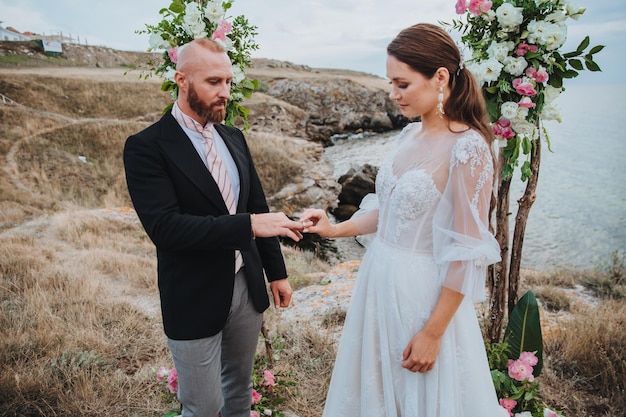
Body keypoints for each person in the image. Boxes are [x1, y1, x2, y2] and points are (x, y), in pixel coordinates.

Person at [300, 23, 509, 416]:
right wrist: (332, 228)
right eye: (390, 83)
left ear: (440, 78)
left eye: (402, 84)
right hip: (378, 282)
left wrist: (432, 333)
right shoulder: (407, 136)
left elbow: (466, 252)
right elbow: (389, 212)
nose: (393, 95)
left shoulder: (468, 149)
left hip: (423, 295)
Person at [123, 38, 303, 417]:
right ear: (181, 79)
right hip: (194, 293)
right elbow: (167, 228)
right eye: (214, 82)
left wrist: (277, 273)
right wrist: (249, 226)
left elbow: (257, 207)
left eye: (229, 82)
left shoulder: (233, 138)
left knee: (238, 394)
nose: (225, 93)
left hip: (246, 287)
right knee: (202, 407)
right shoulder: (146, 147)